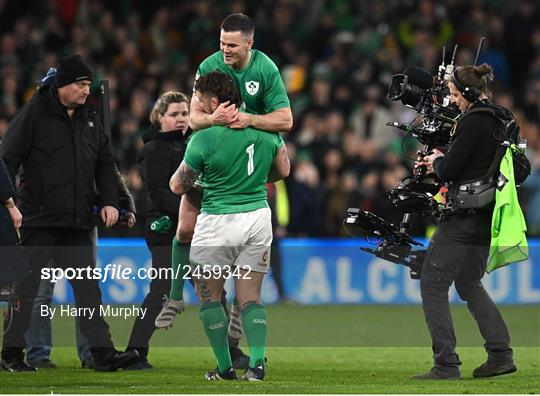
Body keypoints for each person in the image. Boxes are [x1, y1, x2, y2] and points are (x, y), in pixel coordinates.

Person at [155, 13, 292, 366]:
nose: (225, 51)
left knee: (222, 281)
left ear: (250, 43)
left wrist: (250, 121)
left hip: (248, 150)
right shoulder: (209, 66)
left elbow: (286, 120)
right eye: (221, 44)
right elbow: (195, 116)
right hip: (219, 152)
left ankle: (229, 347)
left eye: (231, 45)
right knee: (185, 227)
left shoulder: (266, 70)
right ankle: (174, 296)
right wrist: (215, 120)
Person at [0, 54, 138, 372]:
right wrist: (9, 203)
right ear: (61, 85)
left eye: (88, 85)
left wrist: (110, 202)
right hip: (40, 220)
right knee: (27, 290)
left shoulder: (91, 119)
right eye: (80, 84)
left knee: (88, 290)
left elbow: (105, 165)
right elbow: (7, 158)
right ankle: (11, 354)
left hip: (77, 221)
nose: (86, 91)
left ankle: (101, 353)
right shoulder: (33, 114)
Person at [414, 63, 516, 380]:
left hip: (464, 216)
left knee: (432, 285)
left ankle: (445, 364)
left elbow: (451, 169)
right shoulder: (504, 118)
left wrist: (436, 161)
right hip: (489, 214)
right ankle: (500, 355)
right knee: (469, 282)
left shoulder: (474, 121)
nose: (453, 100)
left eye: (456, 94)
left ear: (469, 92)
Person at [25, 165, 137, 370]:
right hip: (46, 221)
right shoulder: (44, 134)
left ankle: (90, 353)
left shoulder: (91, 134)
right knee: (43, 292)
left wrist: (125, 203)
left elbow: (107, 169)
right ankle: (38, 354)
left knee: (85, 292)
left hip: (82, 222)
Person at [123, 91, 191, 370]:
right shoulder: (153, 150)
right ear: (159, 117)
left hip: (192, 227)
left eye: (185, 114)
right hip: (165, 229)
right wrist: (192, 217)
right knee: (162, 289)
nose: (181, 120)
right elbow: (159, 193)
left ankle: (231, 353)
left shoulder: (191, 145)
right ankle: (135, 351)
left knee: (214, 289)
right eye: (174, 114)